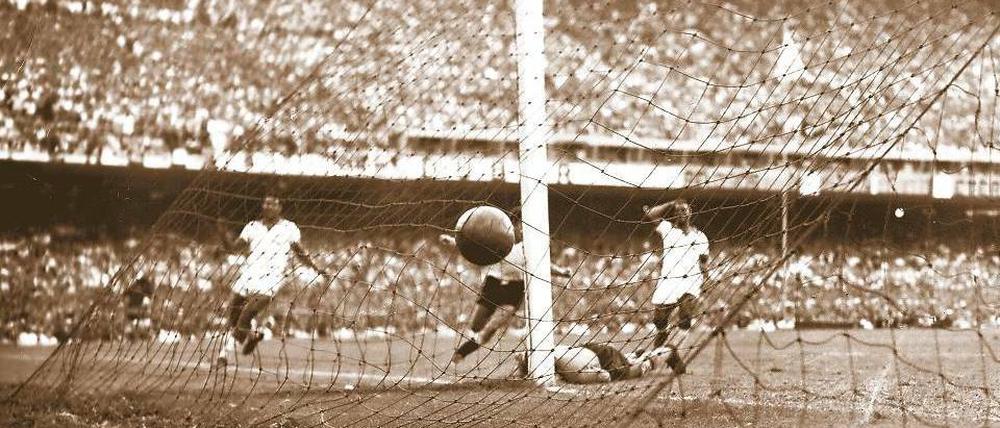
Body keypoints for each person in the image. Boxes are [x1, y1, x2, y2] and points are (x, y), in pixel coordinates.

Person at [215, 193, 329, 367]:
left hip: (270, 280)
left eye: (272, 203)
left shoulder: (289, 228)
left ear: (279, 206)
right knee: (233, 316)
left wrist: (316, 268)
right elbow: (232, 249)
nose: (267, 206)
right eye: (265, 203)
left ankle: (224, 355)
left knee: (245, 317)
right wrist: (222, 233)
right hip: (247, 275)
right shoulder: (252, 226)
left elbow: (300, 252)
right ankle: (253, 335)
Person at [439, 229, 572, 366]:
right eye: (518, 225)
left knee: (493, 326)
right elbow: (476, 248)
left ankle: (463, 352)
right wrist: (452, 241)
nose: (521, 229)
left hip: (514, 289)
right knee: (475, 326)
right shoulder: (500, 240)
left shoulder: (529, 246)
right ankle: (471, 343)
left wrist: (562, 272)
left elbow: (542, 265)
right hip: (493, 284)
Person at [640, 199, 710, 374]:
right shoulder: (667, 229)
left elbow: (704, 262)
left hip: (690, 283)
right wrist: (671, 203)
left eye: (684, 210)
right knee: (659, 321)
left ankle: (671, 350)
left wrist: (705, 280)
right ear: (674, 213)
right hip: (668, 282)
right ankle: (666, 353)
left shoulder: (700, 237)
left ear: (690, 212)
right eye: (678, 210)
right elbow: (650, 214)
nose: (681, 213)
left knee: (685, 317)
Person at [515, 342, 650, 384]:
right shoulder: (549, 348)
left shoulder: (569, 370)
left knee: (629, 371)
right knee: (625, 362)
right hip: (590, 349)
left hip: (603, 357)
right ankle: (634, 356)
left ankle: (652, 357)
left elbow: (604, 376)